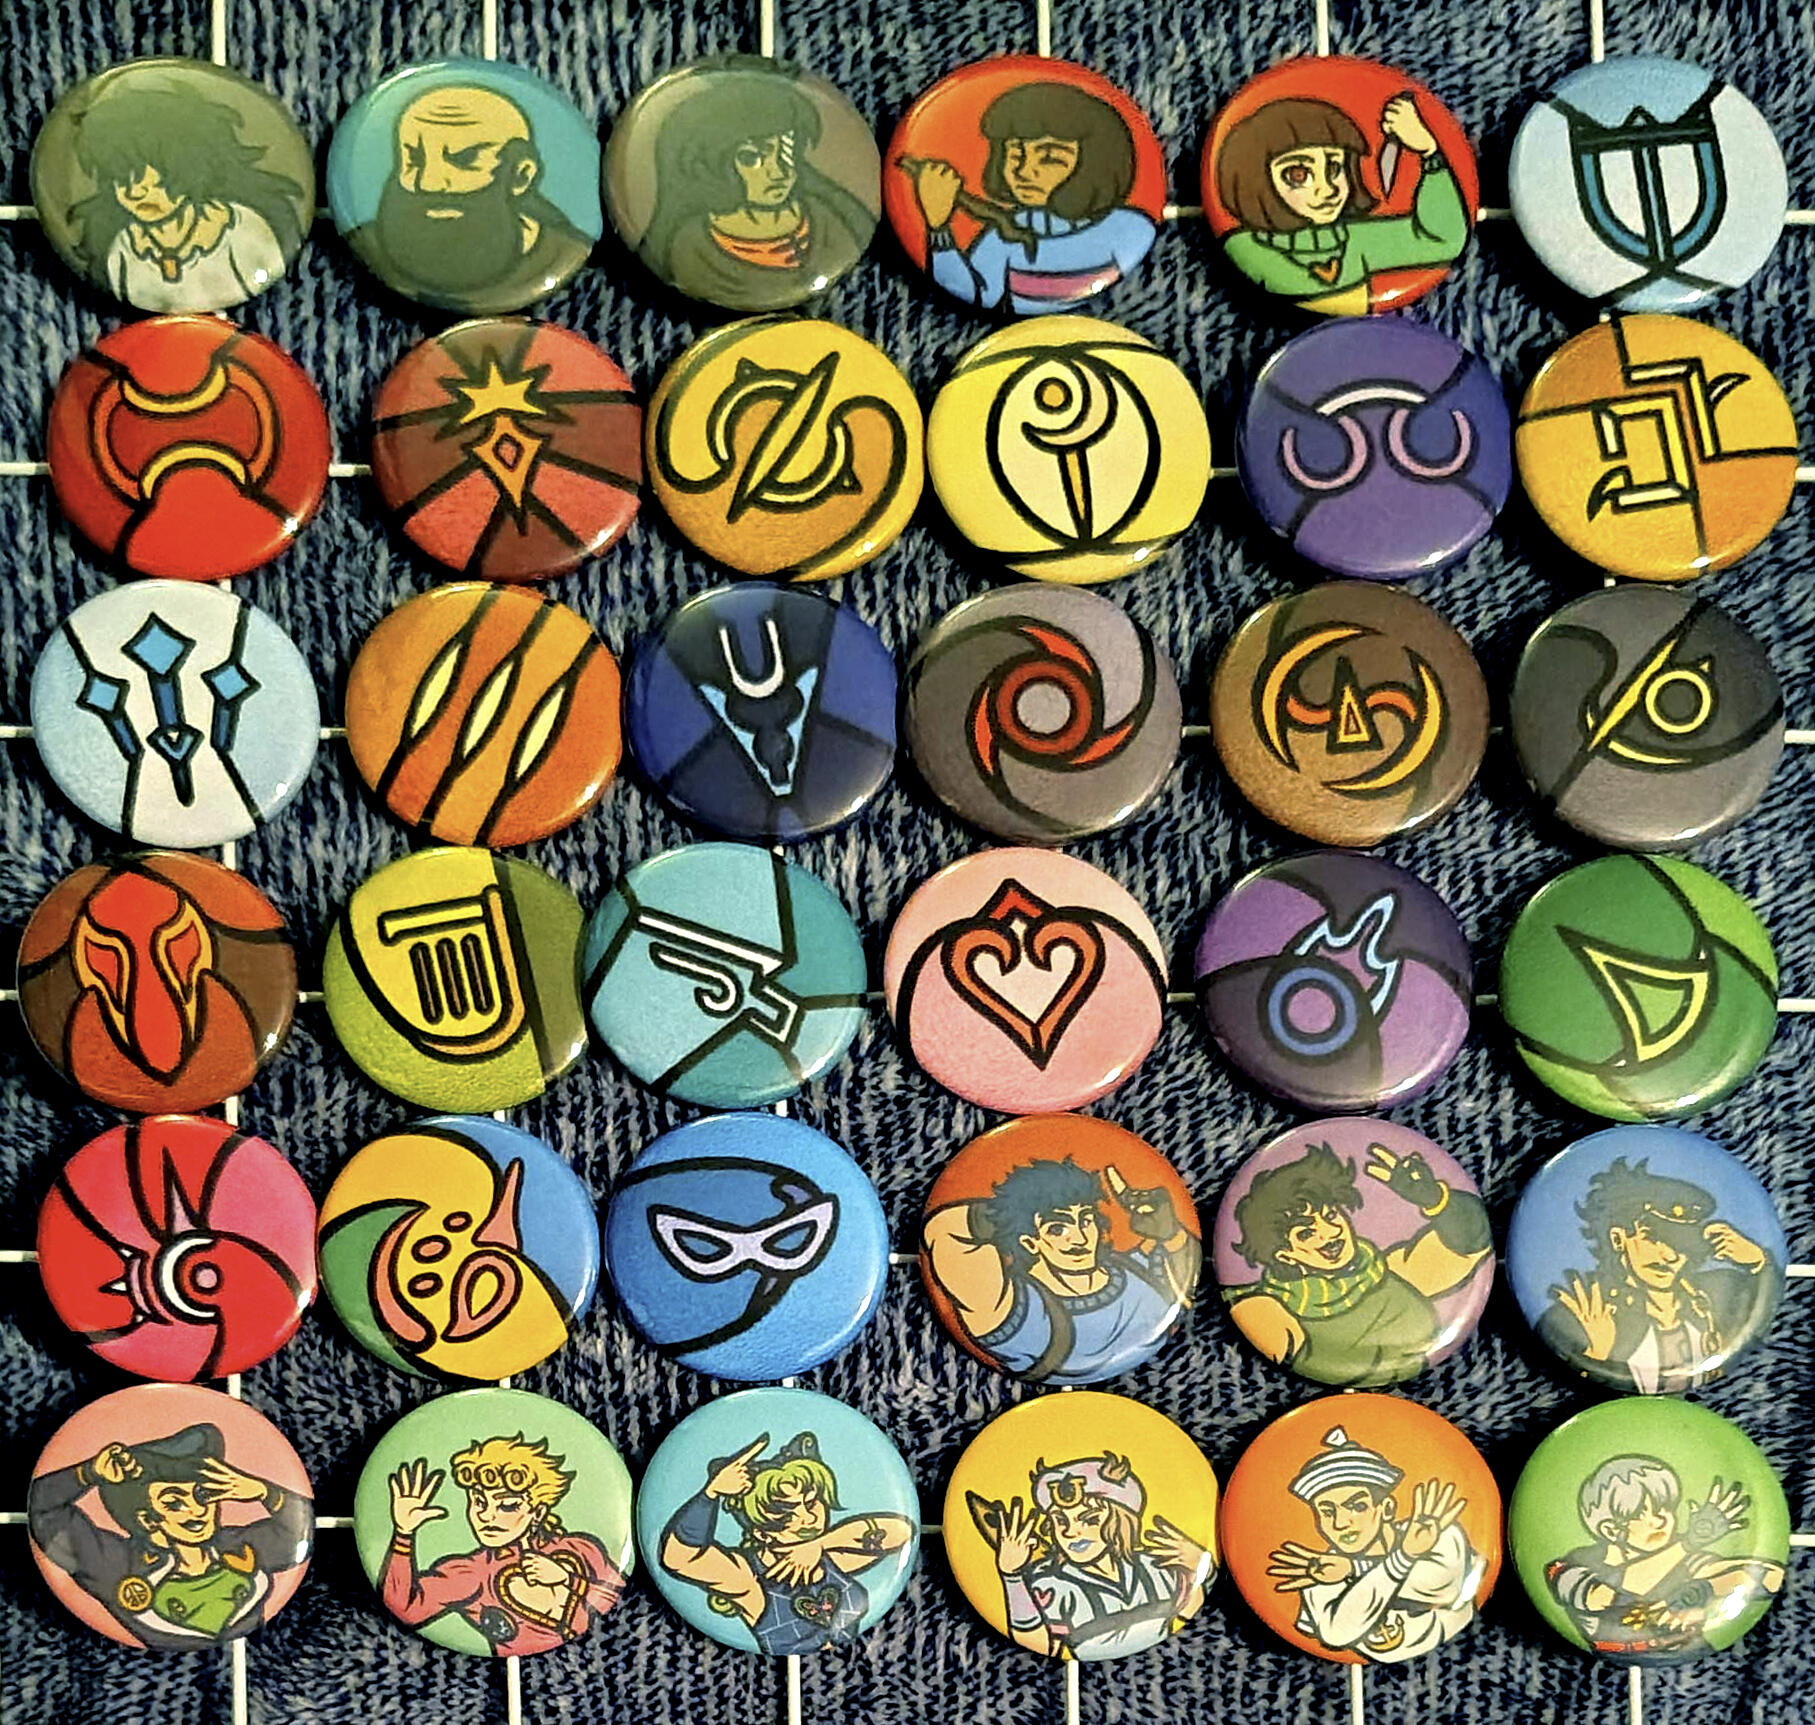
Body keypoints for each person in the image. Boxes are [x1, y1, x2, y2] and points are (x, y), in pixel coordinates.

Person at [1224, 1139, 1490, 1385]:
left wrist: (1436, 1201)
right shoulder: (1268, 1308)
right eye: (1306, 1233)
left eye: (1331, 1215)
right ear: (1284, 1254)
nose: (1330, 1233)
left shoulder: (1387, 1271)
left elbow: (1471, 1245)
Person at [28, 1423, 311, 1647]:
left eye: (203, 1495)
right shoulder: (114, 1565)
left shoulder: (238, 1546)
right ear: (146, 1519)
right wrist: (87, 1473)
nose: (197, 1510)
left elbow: (298, 1535)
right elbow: (45, 1512)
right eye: (174, 1503)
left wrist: (264, 1492)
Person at [921, 1156, 1199, 1384]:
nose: (1080, 1238)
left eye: (1086, 1220)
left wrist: (1171, 1233)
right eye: (1057, 1228)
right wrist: (1007, 1212)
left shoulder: (1136, 1267)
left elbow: (1184, 1273)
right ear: (1029, 1241)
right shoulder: (1009, 1307)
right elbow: (942, 1229)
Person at [899, 82, 1156, 314]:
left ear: (1093, 162)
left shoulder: (1129, 228)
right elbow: (977, 292)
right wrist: (938, 227)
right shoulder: (1000, 239)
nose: (1023, 171)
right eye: (1015, 154)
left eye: (1049, 157)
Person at [636, 67, 875, 307]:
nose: (780, 172)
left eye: (788, 152)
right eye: (752, 158)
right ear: (711, 165)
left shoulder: (831, 220)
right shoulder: (691, 250)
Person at [659, 1431, 914, 1655]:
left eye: (811, 1502)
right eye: (785, 1514)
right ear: (761, 1533)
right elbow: (678, 1559)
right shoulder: (749, 1579)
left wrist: (819, 1545)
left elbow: (901, 1530)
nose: (808, 1518)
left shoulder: (832, 1556)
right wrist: (710, 1494)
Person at [1214, 91, 1470, 313]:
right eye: (1299, 174)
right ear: (1255, 178)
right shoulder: (1246, 246)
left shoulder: (1355, 240)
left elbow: (1442, 240)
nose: (1328, 190)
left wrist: (1429, 152)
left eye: (1334, 167)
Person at [1537, 1158, 1775, 1393]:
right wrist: (1597, 1354)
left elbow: (1763, 1301)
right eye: (1652, 1237)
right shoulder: (1581, 1315)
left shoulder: (1720, 1293)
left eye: (1682, 1242)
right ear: (1618, 1238)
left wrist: (1758, 1261)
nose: (1669, 1256)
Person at [65, 83, 305, 311]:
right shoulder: (123, 249)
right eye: (120, 178)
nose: (136, 192)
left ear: (192, 167)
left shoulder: (242, 233)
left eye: (157, 179)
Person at [350, 84, 591, 307]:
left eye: (463, 159)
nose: (429, 183)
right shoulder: (370, 237)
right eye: (414, 159)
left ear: (521, 175)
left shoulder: (561, 250)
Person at [383, 1434, 625, 1654]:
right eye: (479, 1502)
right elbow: (406, 1606)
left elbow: (619, 1597)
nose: (487, 1516)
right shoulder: (472, 1574)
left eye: (507, 1506)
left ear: (538, 1511)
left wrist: (568, 1580)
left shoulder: (580, 1549)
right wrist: (404, 1533)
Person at [969, 1451, 1212, 1659]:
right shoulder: (1052, 1585)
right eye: (1060, 1520)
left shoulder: (1155, 1568)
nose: (1071, 1532)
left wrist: (1201, 1565)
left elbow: (1184, 1609)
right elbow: (1043, 1642)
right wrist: (1012, 1576)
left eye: (1089, 1519)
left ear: (1120, 1521)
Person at [1267, 1426, 1479, 1662]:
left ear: (1387, 1508)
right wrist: (1400, 1559)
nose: (1340, 1523)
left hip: (1457, 1652)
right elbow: (1336, 1633)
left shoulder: (1434, 1532)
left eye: (1357, 1507)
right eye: (1327, 1512)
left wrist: (1356, 1569)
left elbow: (1443, 1586)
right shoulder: (1322, 1569)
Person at [1546, 1456, 1783, 1658]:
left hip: (1696, 1663)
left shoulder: (1683, 1557)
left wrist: (1701, 1590)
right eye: (1641, 1513)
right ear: (1611, 1530)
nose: (1660, 1519)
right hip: (1615, 1658)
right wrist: (1687, 1544)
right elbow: (1603, 1594)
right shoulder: (1572, 1566)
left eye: (1665, 1507)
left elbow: (1770, 1576)